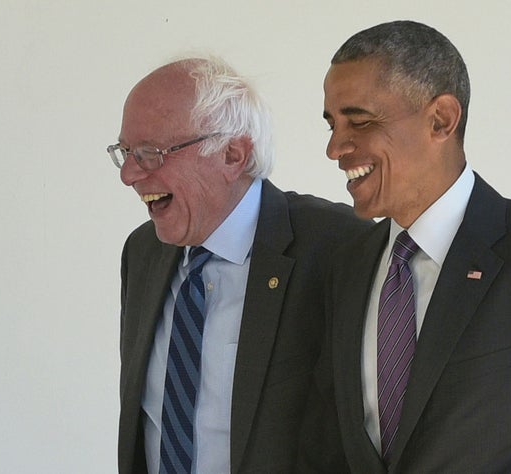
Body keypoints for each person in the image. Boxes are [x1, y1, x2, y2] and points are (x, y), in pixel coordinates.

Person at [298, 20, 511, 472]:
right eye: (332, 124)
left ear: (441, 120)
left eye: (360, 120)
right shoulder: (347, 265)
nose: (335, 147)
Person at [110, 56, 370, 473]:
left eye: (150, 154)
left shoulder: (339, 248)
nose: (128, 174)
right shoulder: (143, 252)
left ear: (233, 154)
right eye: (124, 152)